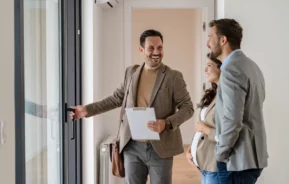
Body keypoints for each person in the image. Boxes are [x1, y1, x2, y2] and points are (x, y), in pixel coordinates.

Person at [70, 29, 194, 184]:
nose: (156, 52)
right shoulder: (131, 73)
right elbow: (116, 99)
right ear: (141, 50)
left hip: (161, 148)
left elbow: (188, 108)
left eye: (160, 47)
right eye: (151, 48)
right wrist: (87, 110)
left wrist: (166, 123)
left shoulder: (173, 76)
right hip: (132, 146)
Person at [207, 18, 268, 184]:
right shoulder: (252, 66)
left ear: (223, 39)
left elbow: (232, 120)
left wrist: (220, 154)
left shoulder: (231, 69)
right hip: (252, 158)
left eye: (210, 37)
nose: (208, 43)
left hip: (236, 161)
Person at [186, 53, 222, 184]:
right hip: (203, 164)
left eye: (209, 66)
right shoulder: (212, 93)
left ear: (221, 68)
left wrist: (203, 128)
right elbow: (201, 126)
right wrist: (191, 149)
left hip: (215, 165)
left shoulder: (227, 96)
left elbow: (225, 134)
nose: (205, 70)